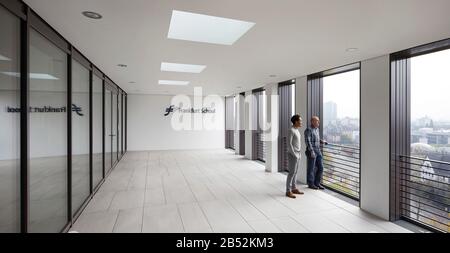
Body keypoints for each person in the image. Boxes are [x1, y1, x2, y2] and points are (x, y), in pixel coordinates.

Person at [304, 116, 328, 190]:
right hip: (312, 150)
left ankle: (317, 183)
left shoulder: (317, 129)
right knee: (311, 168)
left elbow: (316, 139)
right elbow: (308, 141)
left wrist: (322, 141)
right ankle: (311, 184)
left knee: (321, 167)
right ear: (312, 122)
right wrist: (311, 151)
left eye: (318, 121)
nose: (318, 122)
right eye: (317, 121)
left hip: (318, 150)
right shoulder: (308, 130)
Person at [286, 114, 305, 198]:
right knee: (291, 173)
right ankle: (288, 191)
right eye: (300, 120)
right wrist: (294, 154)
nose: (301, 122)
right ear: (296, 121)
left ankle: (294, 188)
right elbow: (289, 144)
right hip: (293, 154)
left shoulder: (296, 130)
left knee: (295, 172)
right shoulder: (291, 130)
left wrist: (299, 154)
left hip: (298, 153)